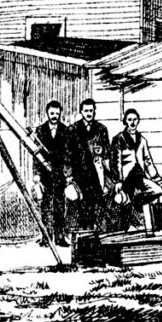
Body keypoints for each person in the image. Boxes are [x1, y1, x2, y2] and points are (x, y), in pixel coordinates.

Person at [111, 109, 162, 232]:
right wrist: (118, 180)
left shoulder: (142, 140)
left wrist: (155, 177)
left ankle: (136, 202)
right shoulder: (119, 139)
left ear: (138, 121)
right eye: (129, 120)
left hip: (139, 176)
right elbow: (115, 161)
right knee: (122, 201)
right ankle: (129, 226)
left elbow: (147, 160)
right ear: (125, 122)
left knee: (157, 190)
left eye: (135, 119)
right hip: (126, 178)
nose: (132, 122)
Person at [31, 100, 73, 247]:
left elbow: (69, 154)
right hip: (45, 175)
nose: (54, 116)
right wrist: (36, 174)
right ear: (47, 113)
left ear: (60, 113)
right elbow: (35, 154)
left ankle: (60, 237)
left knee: (60, 206)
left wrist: (68, 174)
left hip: (60, 174)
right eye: (52, 113)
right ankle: (46, 238)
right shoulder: (40, 131)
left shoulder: (66, 131)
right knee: (46, 207)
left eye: (57, 113)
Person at [66, 98, 112, 233]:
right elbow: (67, 155)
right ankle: (83, 235)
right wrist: (68, 175)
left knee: (97, 205)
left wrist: (103, 151)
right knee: (81, 206)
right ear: (81, 112)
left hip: (97, 174)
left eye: (91, 111)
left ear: (94, 112)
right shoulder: (72, 130)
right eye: (86, 111)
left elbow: (108, 151)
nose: (89, 113)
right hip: (79, 174)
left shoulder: (101, 129)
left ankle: (97, 234)